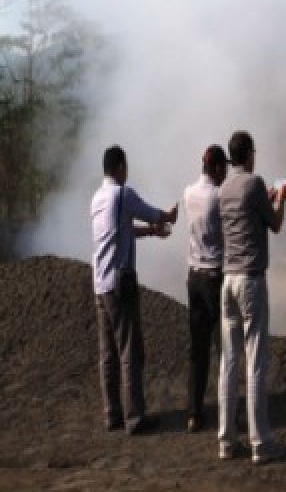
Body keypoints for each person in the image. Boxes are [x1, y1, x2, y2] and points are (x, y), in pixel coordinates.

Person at [217, 130, 286, 464]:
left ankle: (226, 440)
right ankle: (260, 442)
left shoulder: (224, 189)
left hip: (227, 281)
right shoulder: (254, 183)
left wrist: (270, 195)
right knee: (256, 362)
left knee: (229, 362)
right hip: (250, 281)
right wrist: (283, 197)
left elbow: (248, 212)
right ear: (248, 154)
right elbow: (274, 223)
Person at [91, 144, 178, 435]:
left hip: (100, 283)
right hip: (120, 282)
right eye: (125, 166)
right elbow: (150, 213)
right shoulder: (122, 194)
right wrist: (167, 216)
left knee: (107, 353)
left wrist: (152, 232)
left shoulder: (98, 198)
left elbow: (123, 231)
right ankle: (135, 419)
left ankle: (111, 415)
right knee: (130, 351)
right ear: (119, 167)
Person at [183, 144, 229, 432]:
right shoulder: (218, 196)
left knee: (197, 350)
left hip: (193, 278)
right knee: (225, 349)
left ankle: (194, 413)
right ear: (215, 168)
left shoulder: (189, 193)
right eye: (223, 168)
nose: (225, 172)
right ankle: (229, 411)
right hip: (215, 277)